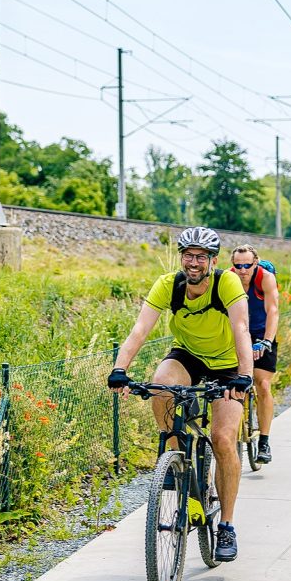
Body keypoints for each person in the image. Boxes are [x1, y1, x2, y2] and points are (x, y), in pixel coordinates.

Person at [108, 227, 254, 562]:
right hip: (188, 355)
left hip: (229, 364)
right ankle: (176, 463)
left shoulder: (226, 283)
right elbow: (140, 329)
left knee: (222, 437)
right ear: (182, 258)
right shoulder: (168, 284)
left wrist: (245, 376)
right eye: (188, 255)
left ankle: (227, 525)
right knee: (160, 385)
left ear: (212, 261)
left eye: (201, 257)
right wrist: (120, 369)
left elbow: (241, 328)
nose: (193, 262)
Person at [230, 244, 279, 465]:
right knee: (229, 384)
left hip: (261, 333)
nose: (242, 270)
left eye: (247, 265)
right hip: (238, 333)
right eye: (237, 265)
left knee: (263, 384)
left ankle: (265, 442)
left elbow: (273, 311)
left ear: (255, 263)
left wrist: (267, 341)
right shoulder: (228, 279)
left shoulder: (265, 278)